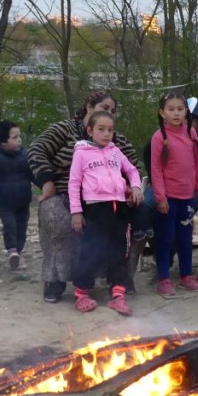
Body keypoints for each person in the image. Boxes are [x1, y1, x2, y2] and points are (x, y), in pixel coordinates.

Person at [28, 90, 142, 304]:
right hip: (64, 194)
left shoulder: (116, 142)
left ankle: (120, 277)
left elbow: (135, 167)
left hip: (110, 199)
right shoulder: (65, 130)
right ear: (89, 107)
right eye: (104, 108)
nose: (109, 114)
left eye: (112, 111)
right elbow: (36, 150)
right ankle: (56, 279)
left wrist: (130, 187)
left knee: (140, 214)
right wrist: (46, 181)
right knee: (54, 215)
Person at [68, 111, 143, 316]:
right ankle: (82, 293)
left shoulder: (115, 151)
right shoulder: (81, 154)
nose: (106, 134)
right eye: (101, 129)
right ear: (90, 130)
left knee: (120, 250)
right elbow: (74, 183)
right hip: (95, 208)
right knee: (91, 250)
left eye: (110, 130)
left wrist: (135, 187)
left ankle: (118, 293)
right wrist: (76, 211)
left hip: (119, 206)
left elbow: (132, 171)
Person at [150, 91, 198, 297]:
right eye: (171, 109)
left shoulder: (191, 134)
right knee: (165, 238)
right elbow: (155, 169)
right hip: (168, 198)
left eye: (180, 109)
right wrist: (160, 197)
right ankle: (164, 278)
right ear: (162, 112)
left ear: (187, 112)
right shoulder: (159, 137)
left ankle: (186, 276)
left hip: (188, 197)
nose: (176, 113)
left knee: (185, 237)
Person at [0, 120, 35, 271]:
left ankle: (18, 253)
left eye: (20, 136)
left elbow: (33, 175)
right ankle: (12, 251)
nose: (19, 140)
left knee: (22, 228)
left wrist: (45, 186)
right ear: (3, 142)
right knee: (10, 226)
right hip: (5, 201)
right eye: (14, 137)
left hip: (24, 199)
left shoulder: (25, 156)